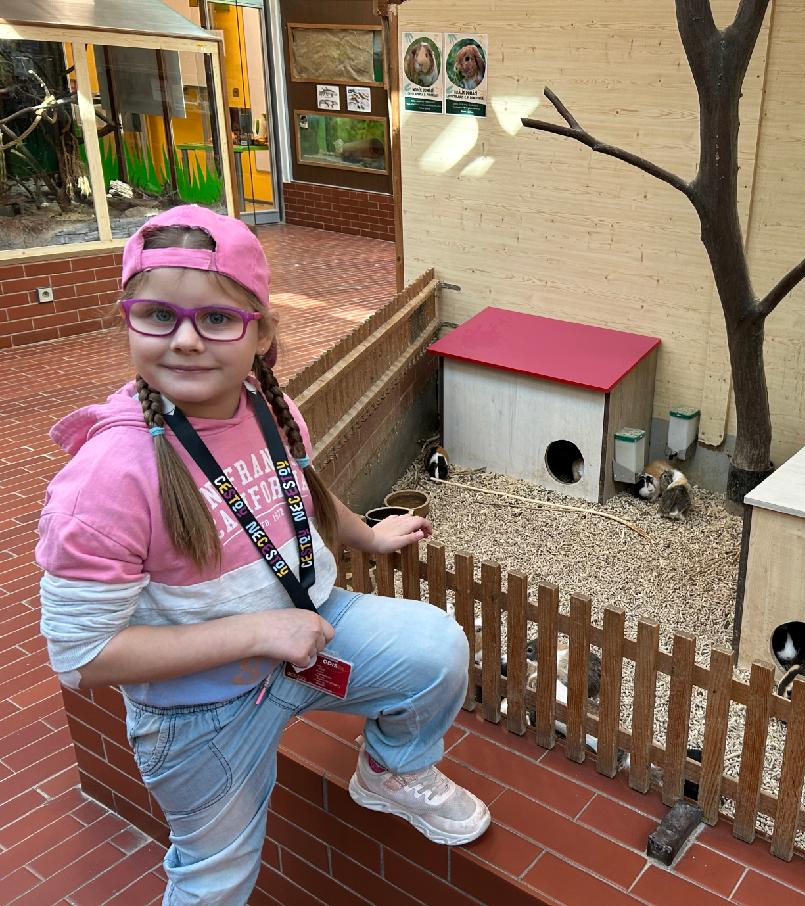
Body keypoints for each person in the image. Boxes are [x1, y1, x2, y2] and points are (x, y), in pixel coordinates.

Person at [36, 205, 488, 905]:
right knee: (215, 878)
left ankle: (390, 772)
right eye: (158, 316)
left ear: (262, 333)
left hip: (310, 637)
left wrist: (367, 536)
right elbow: (81, 658)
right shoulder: (105, 479)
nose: (186, 340)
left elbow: (300, 492)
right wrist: (259, 632)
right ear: (127, 320)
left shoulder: (268, 407)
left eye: (217, 318)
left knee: (436, 650)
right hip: (201, 710)